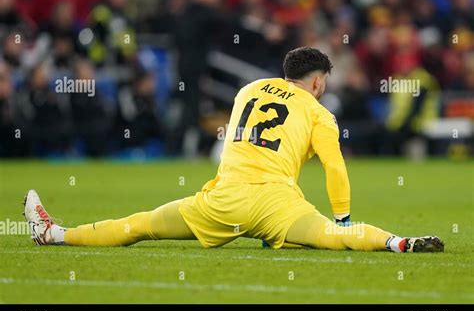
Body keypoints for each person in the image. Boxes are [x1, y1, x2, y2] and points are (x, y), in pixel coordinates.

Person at [23, 47, 444, 253]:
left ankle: (55, 234)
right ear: (317, 81)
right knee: (333, 236)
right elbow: (335, 167)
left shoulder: (247, 89)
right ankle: (399, 244)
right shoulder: (319, 112)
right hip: (274, 205)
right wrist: (343, 219)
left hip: (222, 198)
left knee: (142, 225)